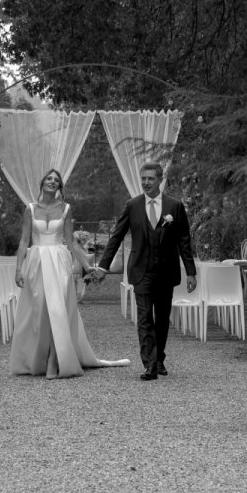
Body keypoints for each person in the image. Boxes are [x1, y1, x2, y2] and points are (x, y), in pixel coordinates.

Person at [10, 169, 131, 379]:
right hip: (36, 262)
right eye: (49, 178)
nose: (52, 182)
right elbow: (23, 241)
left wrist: (87, 265)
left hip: (58, 261)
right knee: (40, 311)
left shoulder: (65, 209)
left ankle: (54, 360)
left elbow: (71, 241)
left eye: (56, 180)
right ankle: (41, 355)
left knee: (58, 309)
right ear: (42, 182)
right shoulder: (30, 209)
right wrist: (18, 269)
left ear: (59, 187)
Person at [93, 163, 196, 381]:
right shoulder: (132, 205)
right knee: (144, 316)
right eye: (143, 179)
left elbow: (183, 240)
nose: (146, 182)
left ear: (160, 180)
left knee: (162, 318)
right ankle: (149, 365)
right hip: (141, 270)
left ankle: (159, 359)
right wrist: (103, 266)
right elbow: (116, 236)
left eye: (150, 178)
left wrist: (191, 272)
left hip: (166, 271)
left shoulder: (174, 206)